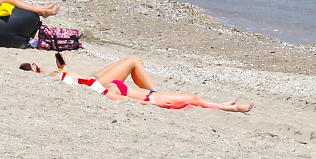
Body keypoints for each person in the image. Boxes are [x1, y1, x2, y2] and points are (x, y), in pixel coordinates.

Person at [84, 57, 252, 112]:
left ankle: (221, 104)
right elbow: (127, 101)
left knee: (195, 98)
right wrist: (150, 102)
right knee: (193, 98)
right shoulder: (107, 92)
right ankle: (231, 108)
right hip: (153, 97)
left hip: (151, 96)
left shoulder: (105, 88)